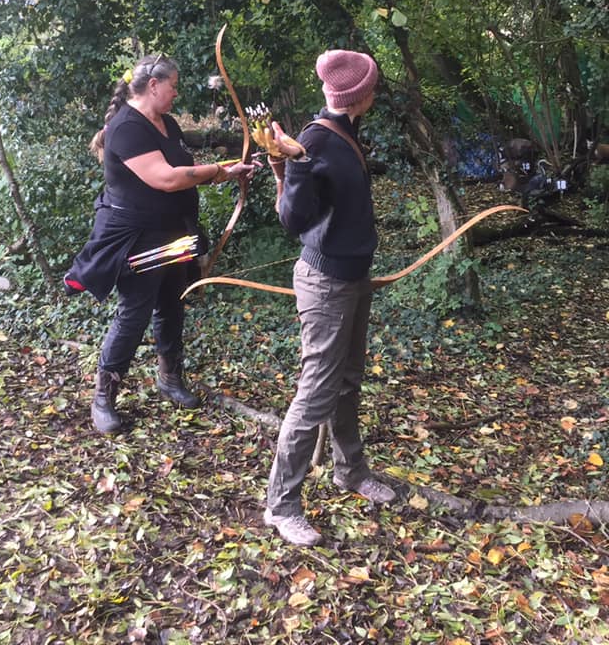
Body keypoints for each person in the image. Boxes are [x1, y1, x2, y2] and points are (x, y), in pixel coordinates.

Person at [64, 55, 255, 434]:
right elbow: (167, 179)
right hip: (138, 238)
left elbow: (184, 172)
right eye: (173, 86)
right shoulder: (126, 128)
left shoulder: (166, 123)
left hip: (173, 234)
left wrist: (228, 173)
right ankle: (104, 397)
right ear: (153, 85)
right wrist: (220, 171)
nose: (176, 93)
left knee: (172, 304)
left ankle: (169, 379)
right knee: (135, 312)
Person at [262, 49, 396, 546]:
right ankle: (281, 504)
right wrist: (293, 163)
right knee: (316, 391)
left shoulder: (344, 134)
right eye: (372, 89)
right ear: (358, 97)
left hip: (352, 277)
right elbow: (295, 220)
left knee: (348, 381)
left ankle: (350, 471)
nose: (375, 94)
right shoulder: (316, 141)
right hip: (325, 283)